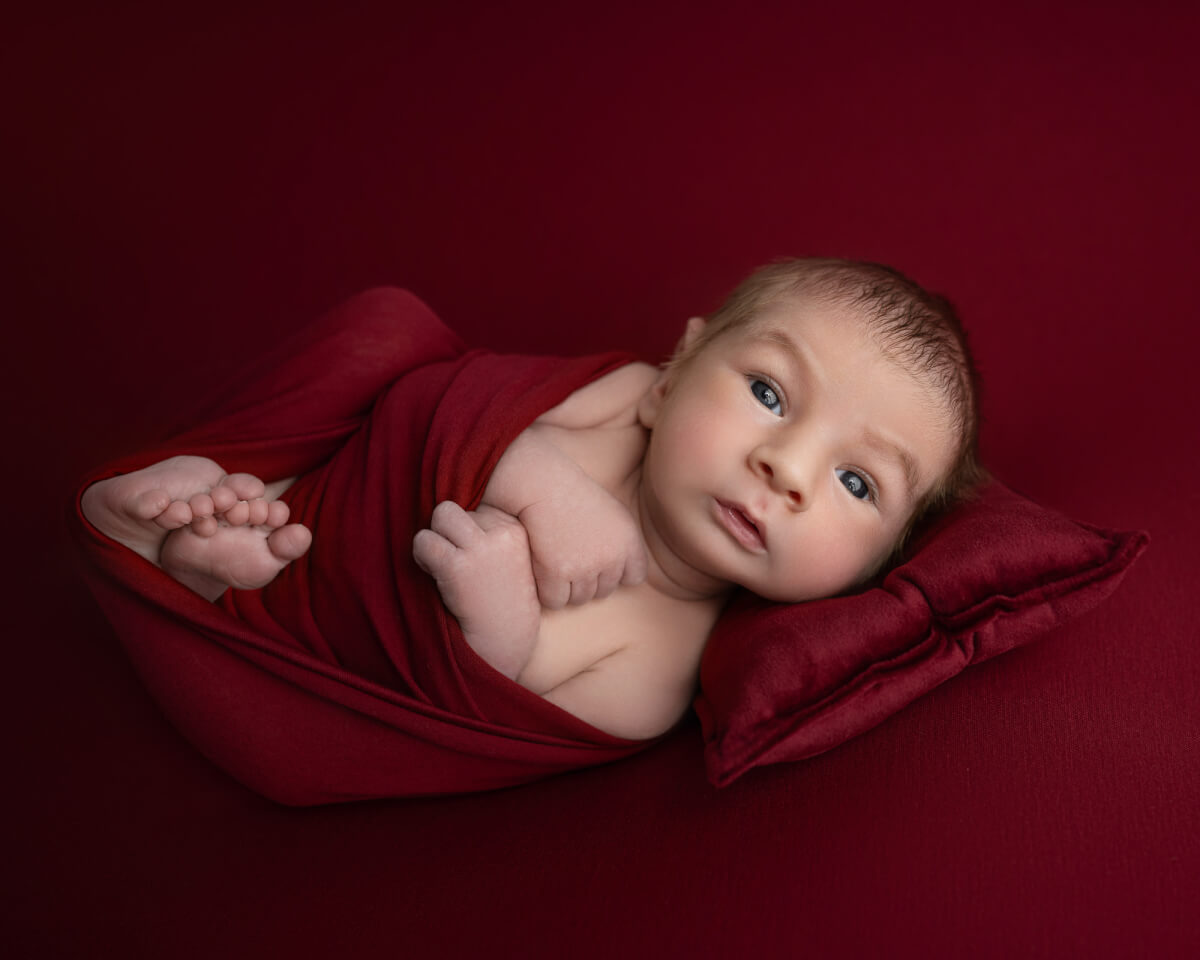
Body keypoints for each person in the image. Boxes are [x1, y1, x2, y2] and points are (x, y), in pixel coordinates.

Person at [80, 258, 984, 741]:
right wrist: (540, 480)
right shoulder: (619, 393)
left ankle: (216, 585)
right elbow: (445, 400)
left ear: (877, 566)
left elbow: (476, 714)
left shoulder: (654, 676)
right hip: (339, 491)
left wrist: (501, 618)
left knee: (300, 637)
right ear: (674, 376)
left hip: (338, 653)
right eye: (770, 394)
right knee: (387, 335)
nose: (788, 467)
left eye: (856, 483)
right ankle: (234, 504)